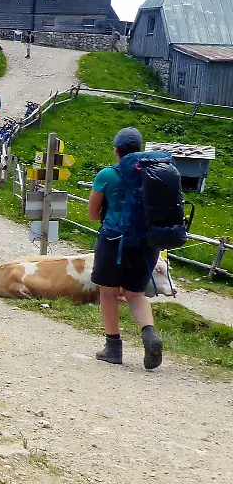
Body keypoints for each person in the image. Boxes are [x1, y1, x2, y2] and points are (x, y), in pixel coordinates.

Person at [88, 128, 164, 369]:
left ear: (116, 151)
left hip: (114, 242)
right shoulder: (154, 174)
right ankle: (150, 334)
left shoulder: (107, 175)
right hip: (146, 245)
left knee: (109, 292)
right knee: (136, 295)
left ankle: (113, 348)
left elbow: (92, 214)